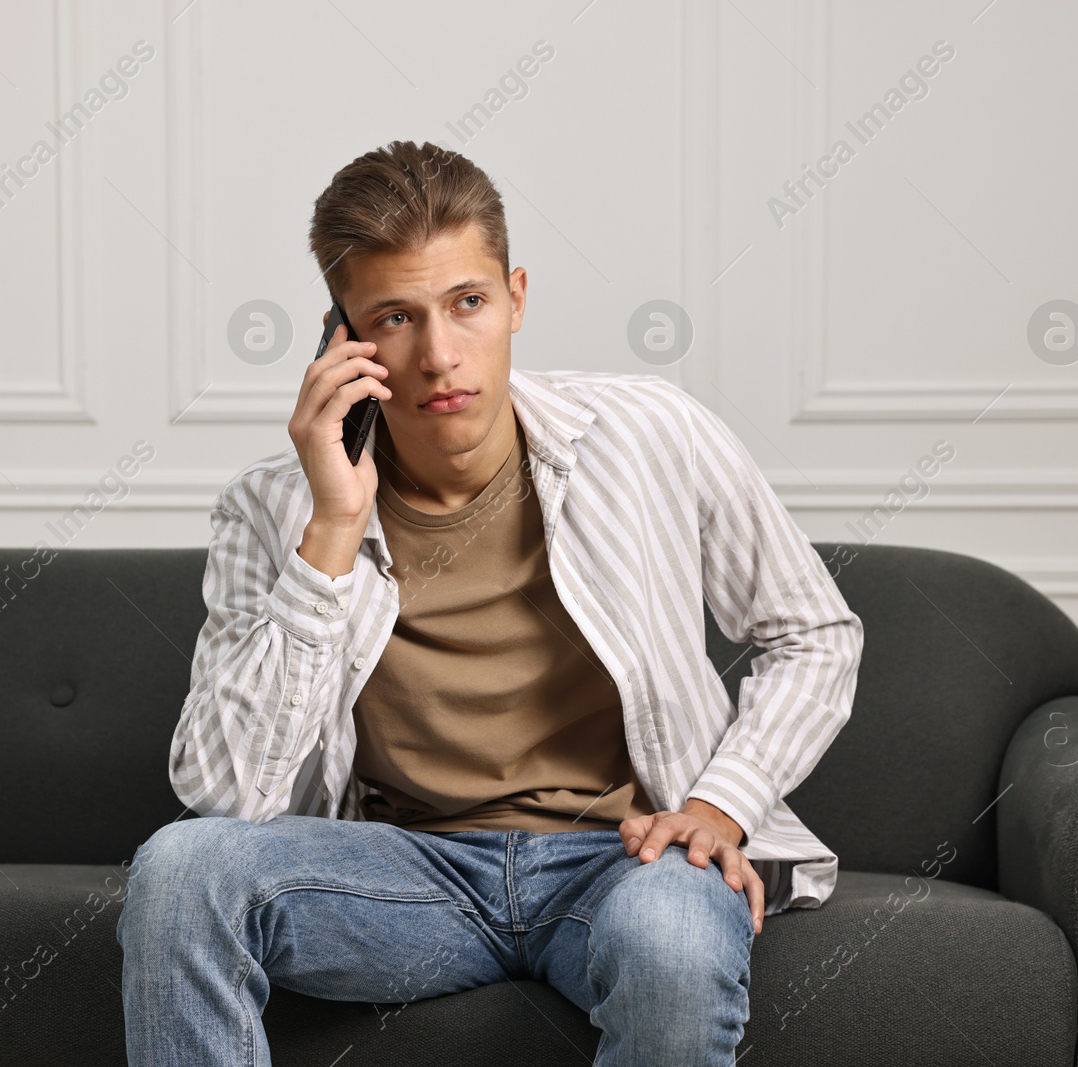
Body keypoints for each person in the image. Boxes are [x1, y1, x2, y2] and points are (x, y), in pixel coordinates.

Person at [117, 139, 864, 1066]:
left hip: (625, 861)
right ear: (342, 339)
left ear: (515, 297)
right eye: (394, 316)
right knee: (181, 871)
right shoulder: (275, 508)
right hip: (409, 876)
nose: (438, 355)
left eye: (467, 303)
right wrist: (334, 528)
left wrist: (721, 803)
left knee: (673, 936)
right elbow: (228, 794)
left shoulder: (651, 433)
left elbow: (812, 632)